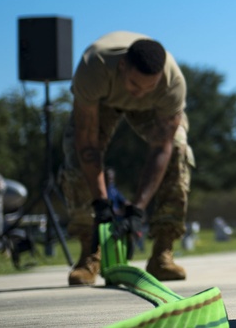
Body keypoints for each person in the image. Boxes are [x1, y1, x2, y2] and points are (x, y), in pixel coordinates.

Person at [60, 32, 194, 285]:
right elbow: (88, 142)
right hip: (104, 101)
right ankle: (90, 254)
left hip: (153, 111)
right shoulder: (93, 68)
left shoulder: (172, 81)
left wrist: (138, 209)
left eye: (148, 87)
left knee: (179, 151)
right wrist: (101, 203)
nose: (139, 93)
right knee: (76, 159)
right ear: (122, 66)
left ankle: (162, 253)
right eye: (134, 84)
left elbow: (161, 147)